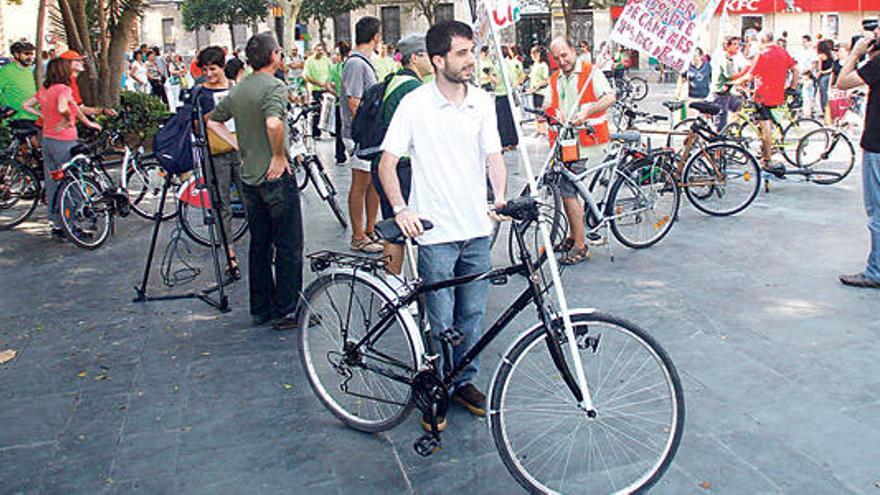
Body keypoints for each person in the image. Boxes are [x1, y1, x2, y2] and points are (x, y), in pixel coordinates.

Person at [378, 20, 507, 429]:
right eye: (462, 53)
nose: (471, 61)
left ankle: (464, 382)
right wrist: (400, 209)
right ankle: (436, 386)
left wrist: (499, 197)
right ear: (437, 60)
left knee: (472, 315)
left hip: (475, 231)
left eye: (473, 52)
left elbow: (495, 157)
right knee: (440, 319)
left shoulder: (483, 102)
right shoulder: (414, 104)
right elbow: (385, 163)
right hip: (434, 234)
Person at [207, 32, 304, 328]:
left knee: (260, 244)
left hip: (249, 176)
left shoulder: (239, 89)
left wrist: (239, 146)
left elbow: (212, 120)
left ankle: (261, 307)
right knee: (288, 244)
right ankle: (287, 308)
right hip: (274, 176)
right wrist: (277, 155)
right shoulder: (274, 86)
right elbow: (273, 122)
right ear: (274, 55)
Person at [545, 36, 615, 265]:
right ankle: (574, 234)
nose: (561, 61)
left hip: (588, 142)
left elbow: (610, 98)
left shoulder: (590, 72)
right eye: (556, 58)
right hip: (565, 144)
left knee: (567, 189)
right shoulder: (555, 78)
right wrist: (556, 114)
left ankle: (581, 245)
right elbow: (547, 105)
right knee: (563, 187)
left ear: (573, 51)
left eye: (564, 55)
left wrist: (587, 112)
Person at [370, 33, 432, 278]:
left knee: (394, 230)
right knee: (410, 227)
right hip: (401, 167)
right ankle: (402, 289)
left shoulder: (395, 80)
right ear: (415, 58)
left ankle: (393, 288)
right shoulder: (413, 88)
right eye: (428, 54)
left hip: (386, 163)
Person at [21, 58, 101, 240]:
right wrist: (65, 119)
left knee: (53, 183)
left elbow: (26, 105)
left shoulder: (45, 90)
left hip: (48, 141)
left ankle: (57, 224)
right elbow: (64, 107)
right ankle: (71, 225)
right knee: (72, 183)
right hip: (64, 141)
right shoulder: (64, 89)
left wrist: (43, 115)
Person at [192, 46, 244, 280]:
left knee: (250, 199)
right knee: (222, 203)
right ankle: (229, 255)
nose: (208, 74)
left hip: (240, 150)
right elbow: (195, 125)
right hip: (215, 153)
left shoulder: (235, 89)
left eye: (212, 69)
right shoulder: (199, 93)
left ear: (223, 67)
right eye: (205, 69)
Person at [836, 24, 880, 288]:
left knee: (876, 212)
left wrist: (855, 54)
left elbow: (843, 82)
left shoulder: (877, 65)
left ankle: (875, 271)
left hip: (877, 146)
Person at [730, 31, 799, 177]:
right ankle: (766, 148)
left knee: (765, 124)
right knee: (766, 123)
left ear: (761, 40)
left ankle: (767, 158)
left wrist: (734, 83)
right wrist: (792, 86)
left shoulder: (762, 54)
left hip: (763, 95)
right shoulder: (782, 51)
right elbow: (796, 69)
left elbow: (750, 75)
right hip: (778, 94)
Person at [342, 16, 383, 254]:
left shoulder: (362, 61)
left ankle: (370, 228)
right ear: (375, 37)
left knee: (373, 184)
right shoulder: (356, 64)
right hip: (360, 135)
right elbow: (354, 102)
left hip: (369, 135)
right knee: (360, 184)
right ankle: (358, 235)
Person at [490, 45, 519, 151]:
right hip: (509, 93)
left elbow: (497, 81)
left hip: (500, 94)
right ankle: (514, 141)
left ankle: (505, 142)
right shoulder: (511, 63)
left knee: (502, 120)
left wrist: (490, 76)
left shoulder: (497, 65)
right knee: (511, 118)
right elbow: (514, 79)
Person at [711, 36, 744, 130]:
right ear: (727, 46)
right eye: (734, 44)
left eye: (738, 44)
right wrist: (746, 72)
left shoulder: (730, 59)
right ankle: (718, 138)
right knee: (720, 123)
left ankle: (731, 127)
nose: (738, 47)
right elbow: (730, 77)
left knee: (740, 105)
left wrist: (741, 85)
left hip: (727, 92)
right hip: (720, 94)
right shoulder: (724, 60)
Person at [0, 41, 38, 123]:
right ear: (16, 54)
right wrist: (4, 108)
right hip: (16, 118)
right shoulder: (5, 71)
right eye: (26, 54)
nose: (30, 57)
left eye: (32, 54)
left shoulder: (33, 70)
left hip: (35, 116)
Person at [303, 43, 334, 138]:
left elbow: (331, 72)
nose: (320, 52)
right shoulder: (309, 61)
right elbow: (306, 76)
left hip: (326, 89)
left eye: (321, 50)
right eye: (318, 50)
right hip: (315, 89)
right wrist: (318, 83)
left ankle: (330, 130)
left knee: (329, 110)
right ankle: (316, 132)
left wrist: (330, 84)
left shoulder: (326, 60)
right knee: (316, 111)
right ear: (314, 50)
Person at [328, 41, 351, 164]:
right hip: (350, 101)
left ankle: (340, 154)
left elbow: (328, 84)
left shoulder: (334, 68)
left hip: (339, 102)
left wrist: (336, 93)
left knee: (339, 130)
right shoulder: (351, 66)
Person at [678, 48, 711, 119]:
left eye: (695, 56)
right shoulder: (688, 67)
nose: (693, 58)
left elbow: (712, 79)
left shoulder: (708, 66)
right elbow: (681, 79)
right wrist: (678, 94)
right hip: (691, 97)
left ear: (701, 56)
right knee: (691, 119)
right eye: (692, 57)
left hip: (704, 97)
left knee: (704, 119)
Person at [797, 35, 817, 118]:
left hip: (808, 75)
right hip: (801, 74)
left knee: (808, 94)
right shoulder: (801, 52)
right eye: (802, 41)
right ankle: (801, 111)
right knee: (801, 94)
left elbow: (814, 64)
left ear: (809, 42)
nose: (803, 43)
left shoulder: (812, 52)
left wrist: (809, 73)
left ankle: (808, 112)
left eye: (805, 41)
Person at [816, 39, 836, 124]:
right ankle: (830, 111)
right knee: (828, 94)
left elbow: (820, 68)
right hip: (830, 75)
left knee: (822, 94)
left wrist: (821, 73)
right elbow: (833, 66)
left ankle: (825, 111)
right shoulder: (831, 54)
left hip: (823, 76)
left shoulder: (821, 56)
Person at [527, 45, 550, 109]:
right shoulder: (535, 64)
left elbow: (546, 80)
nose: (531, 55)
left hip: (541, 93)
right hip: (535, 92)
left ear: (538, 54)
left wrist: (536, 86)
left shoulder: (543, 65)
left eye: (532, 53)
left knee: (540, 112)